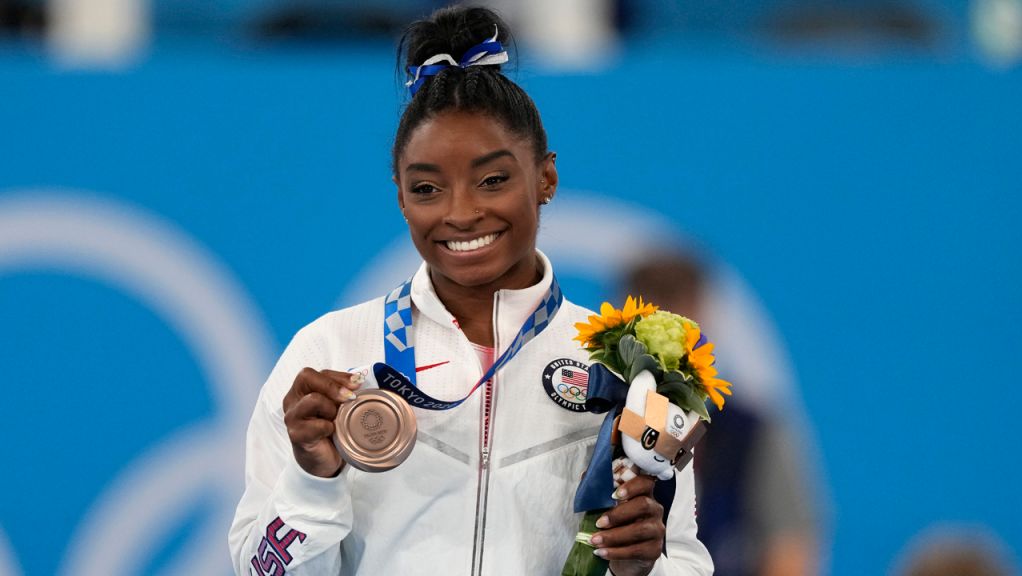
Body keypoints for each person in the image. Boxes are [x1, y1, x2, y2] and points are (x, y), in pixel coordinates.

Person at [229, 6, 713, 575]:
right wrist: (314, 481)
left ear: (546, 179)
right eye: (428, 187)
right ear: (401, 196)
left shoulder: (626, 367)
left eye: (492, 180)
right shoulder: (329, 353)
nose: (461, 213)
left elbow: (684, 561)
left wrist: (644, 568)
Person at [623, 252, 820, 576]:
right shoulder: (595, 422)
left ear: (704, 320)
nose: (664, 348)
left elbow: (791, 552)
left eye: (679, 324)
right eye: (651, 325)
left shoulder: (753, 434)